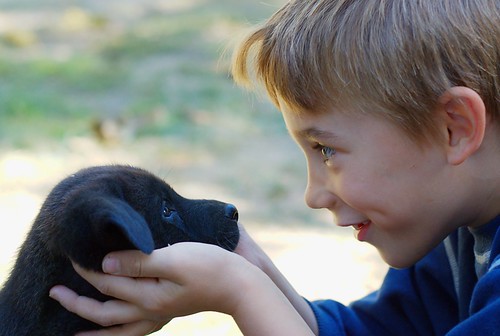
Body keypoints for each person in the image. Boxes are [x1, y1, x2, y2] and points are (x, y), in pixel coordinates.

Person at [49, 0, 500, 335]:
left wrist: (240, 291)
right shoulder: (455, 229)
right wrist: (251, 267)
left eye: (325, 150)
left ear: (454, 129)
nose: (313, 194)